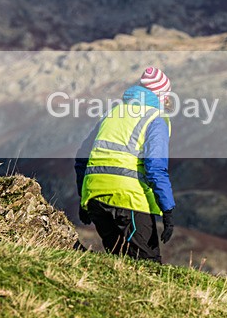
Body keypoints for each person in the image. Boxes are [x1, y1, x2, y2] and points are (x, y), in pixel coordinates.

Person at [74, 67, 176, 263]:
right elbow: (154, 167)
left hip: (95, 197)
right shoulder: (156, 119)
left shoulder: (112, 113)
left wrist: (83, 198)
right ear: (163, 97)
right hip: (129, 199)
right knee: (148, 265)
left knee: (117, 263)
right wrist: (168, 210)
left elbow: (82, 157)